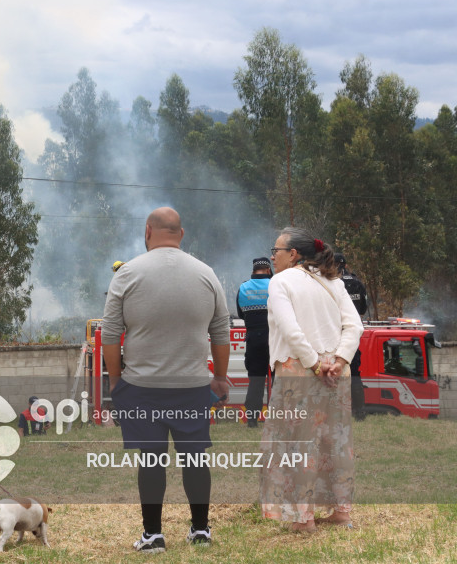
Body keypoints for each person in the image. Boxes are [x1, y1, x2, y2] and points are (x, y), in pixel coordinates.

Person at [101, 207, 230, 553]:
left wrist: (116, 382)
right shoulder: (206, 274)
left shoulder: (127, 274)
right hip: (193, 386)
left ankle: (153, 535)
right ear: (181, 234)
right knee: (195, 458)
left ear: (147, 231)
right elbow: (221, 333)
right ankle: (201, 530)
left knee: (152, 459)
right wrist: (219, 377)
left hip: (143, 388)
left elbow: (110, 336)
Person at [261, 228, 363, 532]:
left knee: (297, 443)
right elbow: (355, 326)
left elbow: (291, 331)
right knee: (336, 441)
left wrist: (314, 364)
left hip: (299, 372)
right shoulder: (334, 281)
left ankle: (303, 518)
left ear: (293, 254)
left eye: (276, 250)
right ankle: (341, 511)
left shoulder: (281, 281)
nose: (272, 256)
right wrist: (340, 359)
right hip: (336, 372)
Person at [236, 257, 273, 428]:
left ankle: (252, 419)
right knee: (278, 380)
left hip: (254, 339)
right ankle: (278, 417)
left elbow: (241, 315)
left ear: (254, 270)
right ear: (267, 270)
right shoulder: (275, 285)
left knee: (256, 380)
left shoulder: (243, 288)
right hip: (275, 339)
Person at [335, 253, 368, 420]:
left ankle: (336, 412)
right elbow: (362, 310)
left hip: (334, 334)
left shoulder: (332, 283)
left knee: (333, 374)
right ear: (345, 265)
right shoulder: (357, 283)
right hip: (352, 335)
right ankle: (360, 412)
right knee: (354, 374)